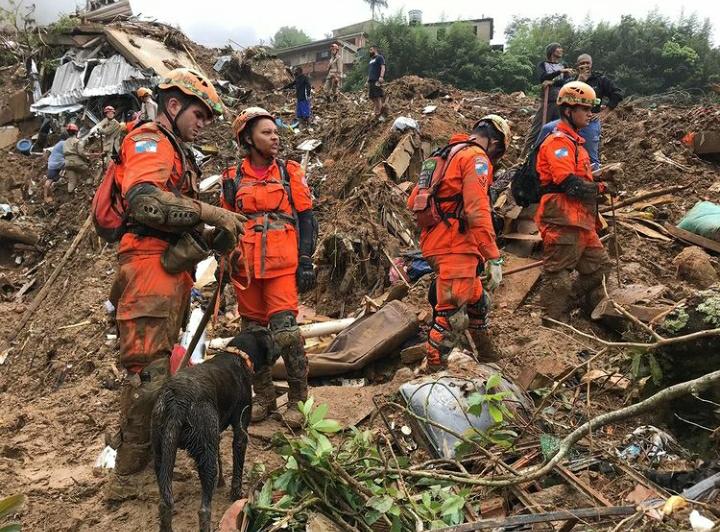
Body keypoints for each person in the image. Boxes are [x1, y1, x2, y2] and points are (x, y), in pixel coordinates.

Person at [105, 68, 246, 500]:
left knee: (161, 367)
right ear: (173, 104)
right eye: (198, 114)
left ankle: (147, 464)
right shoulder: (150, 140)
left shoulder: (177, 151)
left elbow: (174, 216)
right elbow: (145, 202)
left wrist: (212, 235)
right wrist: (210, 212)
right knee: (148, 374)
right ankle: (127, 477)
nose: (202, 124)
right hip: (148, 267)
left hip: (167, 268)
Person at [220, 106, 317, 427]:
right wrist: (225, 259)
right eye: (267, 132)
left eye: (276, 132)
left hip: (281, 265)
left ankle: (298, 400)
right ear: (248, 138)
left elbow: (307, 218)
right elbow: (226, 224)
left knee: (287, 333)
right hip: (245, 268)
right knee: (252, 335)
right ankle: (263, 398)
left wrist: (306, 260)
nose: (275, 137)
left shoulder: (289, 172)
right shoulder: (231, 178)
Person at [407, 115, 511, 370]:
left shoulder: (439, 157)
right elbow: (477, 210)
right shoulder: (476, 158)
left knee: (478, 302)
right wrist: (493, 256)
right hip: (456, 245)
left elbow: (413, 202)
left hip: (437, 241)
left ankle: (487, 356)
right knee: (451, 318)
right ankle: (433, 374)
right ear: (495, 144)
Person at [534, 81, 615, 319]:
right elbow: (570, 184)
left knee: (600, 268)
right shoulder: (558, 142)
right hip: (562, 219)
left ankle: (567, 305)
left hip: (582, 221)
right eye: (585, 109)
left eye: (591, 109)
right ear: (569, 111)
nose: (590, 114)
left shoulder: (576, 143)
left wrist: (602, 178)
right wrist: (601, 188)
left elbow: (580, 178)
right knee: (558, 278)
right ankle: (550, 324)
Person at [535, 54, 624, 169]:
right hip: (568, 121)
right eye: (582, 63)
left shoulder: (600, 79)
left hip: (589, 121)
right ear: (577, 65)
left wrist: (605, 112)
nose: (585, 65)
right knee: (548, 131)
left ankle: (591, 176)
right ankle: (534, 165)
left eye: (587, 63)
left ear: (591, 64)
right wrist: (579, 81)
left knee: (591, 158)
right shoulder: (571, 80)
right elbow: (563, 92)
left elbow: (617, 94)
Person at [522, 43, 575, 155]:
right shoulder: (543, 64)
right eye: (558, 48)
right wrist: (560, 72)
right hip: (547, 100)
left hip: (561, 101)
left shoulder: (564, 65)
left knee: (560, 129)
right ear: (552, 50)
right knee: (537, 128)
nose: (561, 50)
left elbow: (567, 82)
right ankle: (525, 155)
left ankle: (557, 155)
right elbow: (543, 78)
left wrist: (553, 82)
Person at [43, 125, 73, 203]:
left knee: (51, 180)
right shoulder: (63, 143)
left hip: (55, 163)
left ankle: (62, 180)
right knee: (48, 182)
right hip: (56, 164)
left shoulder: (59, 143)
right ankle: (46, 197)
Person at [61, 122, 90, 194]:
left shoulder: (65, 143)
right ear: (76, 132)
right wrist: (87, 159)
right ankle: (89, 188)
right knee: (87, 171)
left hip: (67, 163)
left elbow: (63, 154)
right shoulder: (77, 141)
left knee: (72, 181)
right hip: (76, 161)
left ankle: (70, 194)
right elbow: (81, 153)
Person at [367, 45, 386, 121]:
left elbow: (383, 67)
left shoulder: (379, 57)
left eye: (371, 49)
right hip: (371, 81)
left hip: (376, 80)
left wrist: (381, 76)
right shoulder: (371, 60)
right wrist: (367, 81)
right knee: (372, 97)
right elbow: (370, 71)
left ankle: (380, 114)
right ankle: (376, 112)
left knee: (377, 97)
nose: (369, 51)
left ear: (375, 50)